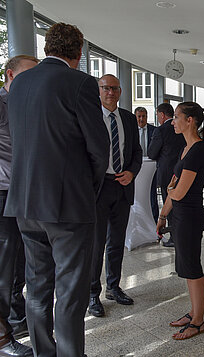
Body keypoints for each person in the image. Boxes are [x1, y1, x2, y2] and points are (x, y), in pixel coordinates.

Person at [5, 23, 110, 357]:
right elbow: (98, 149)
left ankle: (43, 354)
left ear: (46, 47)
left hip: (24, 202)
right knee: (69, 292)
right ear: (78, 53)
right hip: (67, 206)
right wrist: (88, 188)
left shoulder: (19, 84)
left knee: (36, 288)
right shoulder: (80, 83)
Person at [156, 102, 204, 340]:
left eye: (177, 117)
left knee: (193, 269)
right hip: (180, 215)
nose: (172, 121)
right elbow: (173, 188)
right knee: (187, 269)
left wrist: (171, 189)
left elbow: (178, 191)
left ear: (190, 120)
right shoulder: (185, 148)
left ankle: (198, 322)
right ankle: (192, 313)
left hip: (190, 217)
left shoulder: (198, 150)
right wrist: (162, 216)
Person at [88, 75, 142, 318]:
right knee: (96, 244)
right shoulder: (89, 116)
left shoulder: (129, 119)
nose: (110, 92)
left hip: (122, 186)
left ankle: (113, 287)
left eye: (114, 88)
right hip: (97, 189)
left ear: (120, 91)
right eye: (105, 88)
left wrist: (131, 172)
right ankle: (92, 294)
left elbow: (136, 152)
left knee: (117, 242)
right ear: (98, 90)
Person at [0, 55, 39, 357]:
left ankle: (15, 319)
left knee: (21, 263)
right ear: (10, 75)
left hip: (23, 193)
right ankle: (3, 340)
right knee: (4, 265)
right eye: (29, 76)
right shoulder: (2, 104)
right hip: (3, 193)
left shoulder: (26, 105)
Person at [148, 103, 186, 247]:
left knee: (168, 205)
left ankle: (174, 238)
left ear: (162, 115)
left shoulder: (161, 130)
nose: (158, 118)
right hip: (183, 172)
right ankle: (181, 235)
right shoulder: (183, 129)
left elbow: (152, 153)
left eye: (157, 115)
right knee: (180, 205)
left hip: (167, 175)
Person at [135, 107, 159, 222]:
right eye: (139, 116)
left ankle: (154, 221)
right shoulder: (131, 131)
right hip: (136, 168)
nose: (141, 119)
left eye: (143, 116)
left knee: (152, 194)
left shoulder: (154, 131)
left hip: (150, 168)